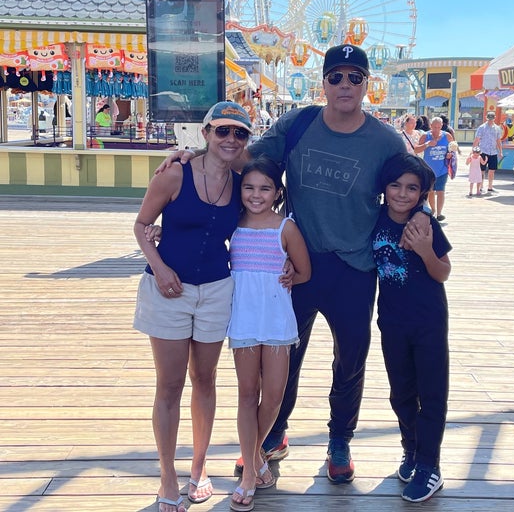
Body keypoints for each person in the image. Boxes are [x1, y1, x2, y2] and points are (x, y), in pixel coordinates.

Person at [156, 44, 431, 485]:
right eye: (336, 77)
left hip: (355, 267)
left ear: (367, 84)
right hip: (296, 263)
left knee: (350, 359)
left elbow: (410, 184)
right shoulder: (299, 123)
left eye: (354, 77)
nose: (344, 85)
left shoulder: (384, 139)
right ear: (323, 83)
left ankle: (339, 438)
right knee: (284, 354)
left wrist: (423, 218)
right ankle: (272, 433)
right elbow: (247, 159)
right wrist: (193, 155)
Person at [133, 101, 252, 512]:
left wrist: (287, 259)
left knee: (205, 379)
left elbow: (264, 217)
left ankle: (198, 468)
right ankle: (168, 475)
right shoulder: (174, 174)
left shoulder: (242, 183)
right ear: (206, 133)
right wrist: (160, 268)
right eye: (223, 131)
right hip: (169, 289)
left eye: (240, 133)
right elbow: (141, 225)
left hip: (217, 288)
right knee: (169, 385)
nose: (231, 139)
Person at [228, 156, 311, 512]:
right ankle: (251, 471)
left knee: (274, 396)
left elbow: (304, 272)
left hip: (277, 320)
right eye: (248, 187)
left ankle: (254, 454)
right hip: (243, 319)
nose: (255, 194)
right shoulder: (231, 225)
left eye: (265, 188)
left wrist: (290, 273)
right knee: (248, 395)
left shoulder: (285, 228)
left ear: (277, 192)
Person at [373, 153, 452, 503]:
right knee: (401, 392)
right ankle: (412, 449)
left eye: (411, 188)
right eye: (396, 185)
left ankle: (429, 465)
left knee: (431, 393)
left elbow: (443, 272)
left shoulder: (426, 225)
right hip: (392, 321)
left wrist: (424, 250)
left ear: (421, 194)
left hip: (428, 321)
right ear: (384, 187)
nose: (402, 194)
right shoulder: (374, 219)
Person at [420, 116, 451, 221]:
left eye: (438, 127)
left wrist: (450, 154)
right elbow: (416, 149)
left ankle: (439, 213)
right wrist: (427, 144)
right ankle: (433, 210)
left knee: (441, 191)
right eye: (434, 127)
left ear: (442, 126)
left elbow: (453, 149)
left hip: (442, 169)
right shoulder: (425, 136)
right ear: (430, 126)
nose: (436, 129)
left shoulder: (447, 136)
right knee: (430, 191)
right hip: (428, 170)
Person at [473, 111, 503, 193]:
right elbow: (477, 139)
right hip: (483, 151)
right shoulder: (482, 127)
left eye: (492, 118)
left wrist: (500, 151)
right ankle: (481, 186)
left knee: (492, 170)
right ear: (486, 118)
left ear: (494, 118)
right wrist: (474, 151)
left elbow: (498, 140)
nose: (490, 120)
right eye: (489, 118)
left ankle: (490, 186)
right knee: (482, 170)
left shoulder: (497, 128)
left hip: (493, 152)